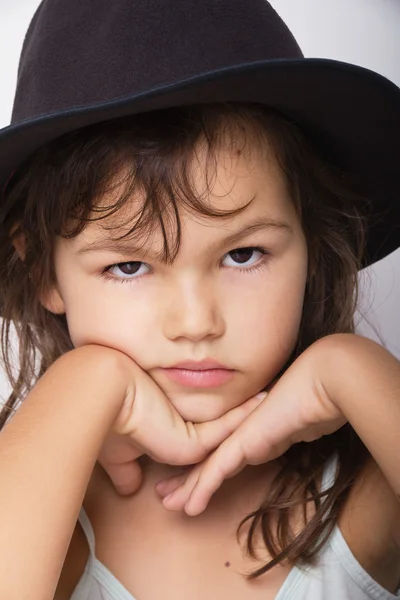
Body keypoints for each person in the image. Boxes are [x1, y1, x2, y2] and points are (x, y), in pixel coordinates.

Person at [0, 0, 399, 598]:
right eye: (129, 265)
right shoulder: (48, 512)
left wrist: (354, 369)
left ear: (312, 245)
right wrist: (83, 383)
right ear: (43, 272)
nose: (195, 322)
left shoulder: (358, 502)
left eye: (244, 255)